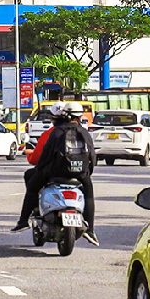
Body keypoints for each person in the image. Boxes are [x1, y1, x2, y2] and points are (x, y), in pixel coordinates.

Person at [12, 102, 97, 244]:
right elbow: (92, 157)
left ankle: (23, 221)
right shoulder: (84, 133)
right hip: (80, 174)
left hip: (55, 173)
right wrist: (86, 173)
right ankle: (90, 230)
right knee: (89, 195)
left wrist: (41, 171)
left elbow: (45, 156)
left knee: (32, 187)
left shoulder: (56, 132)